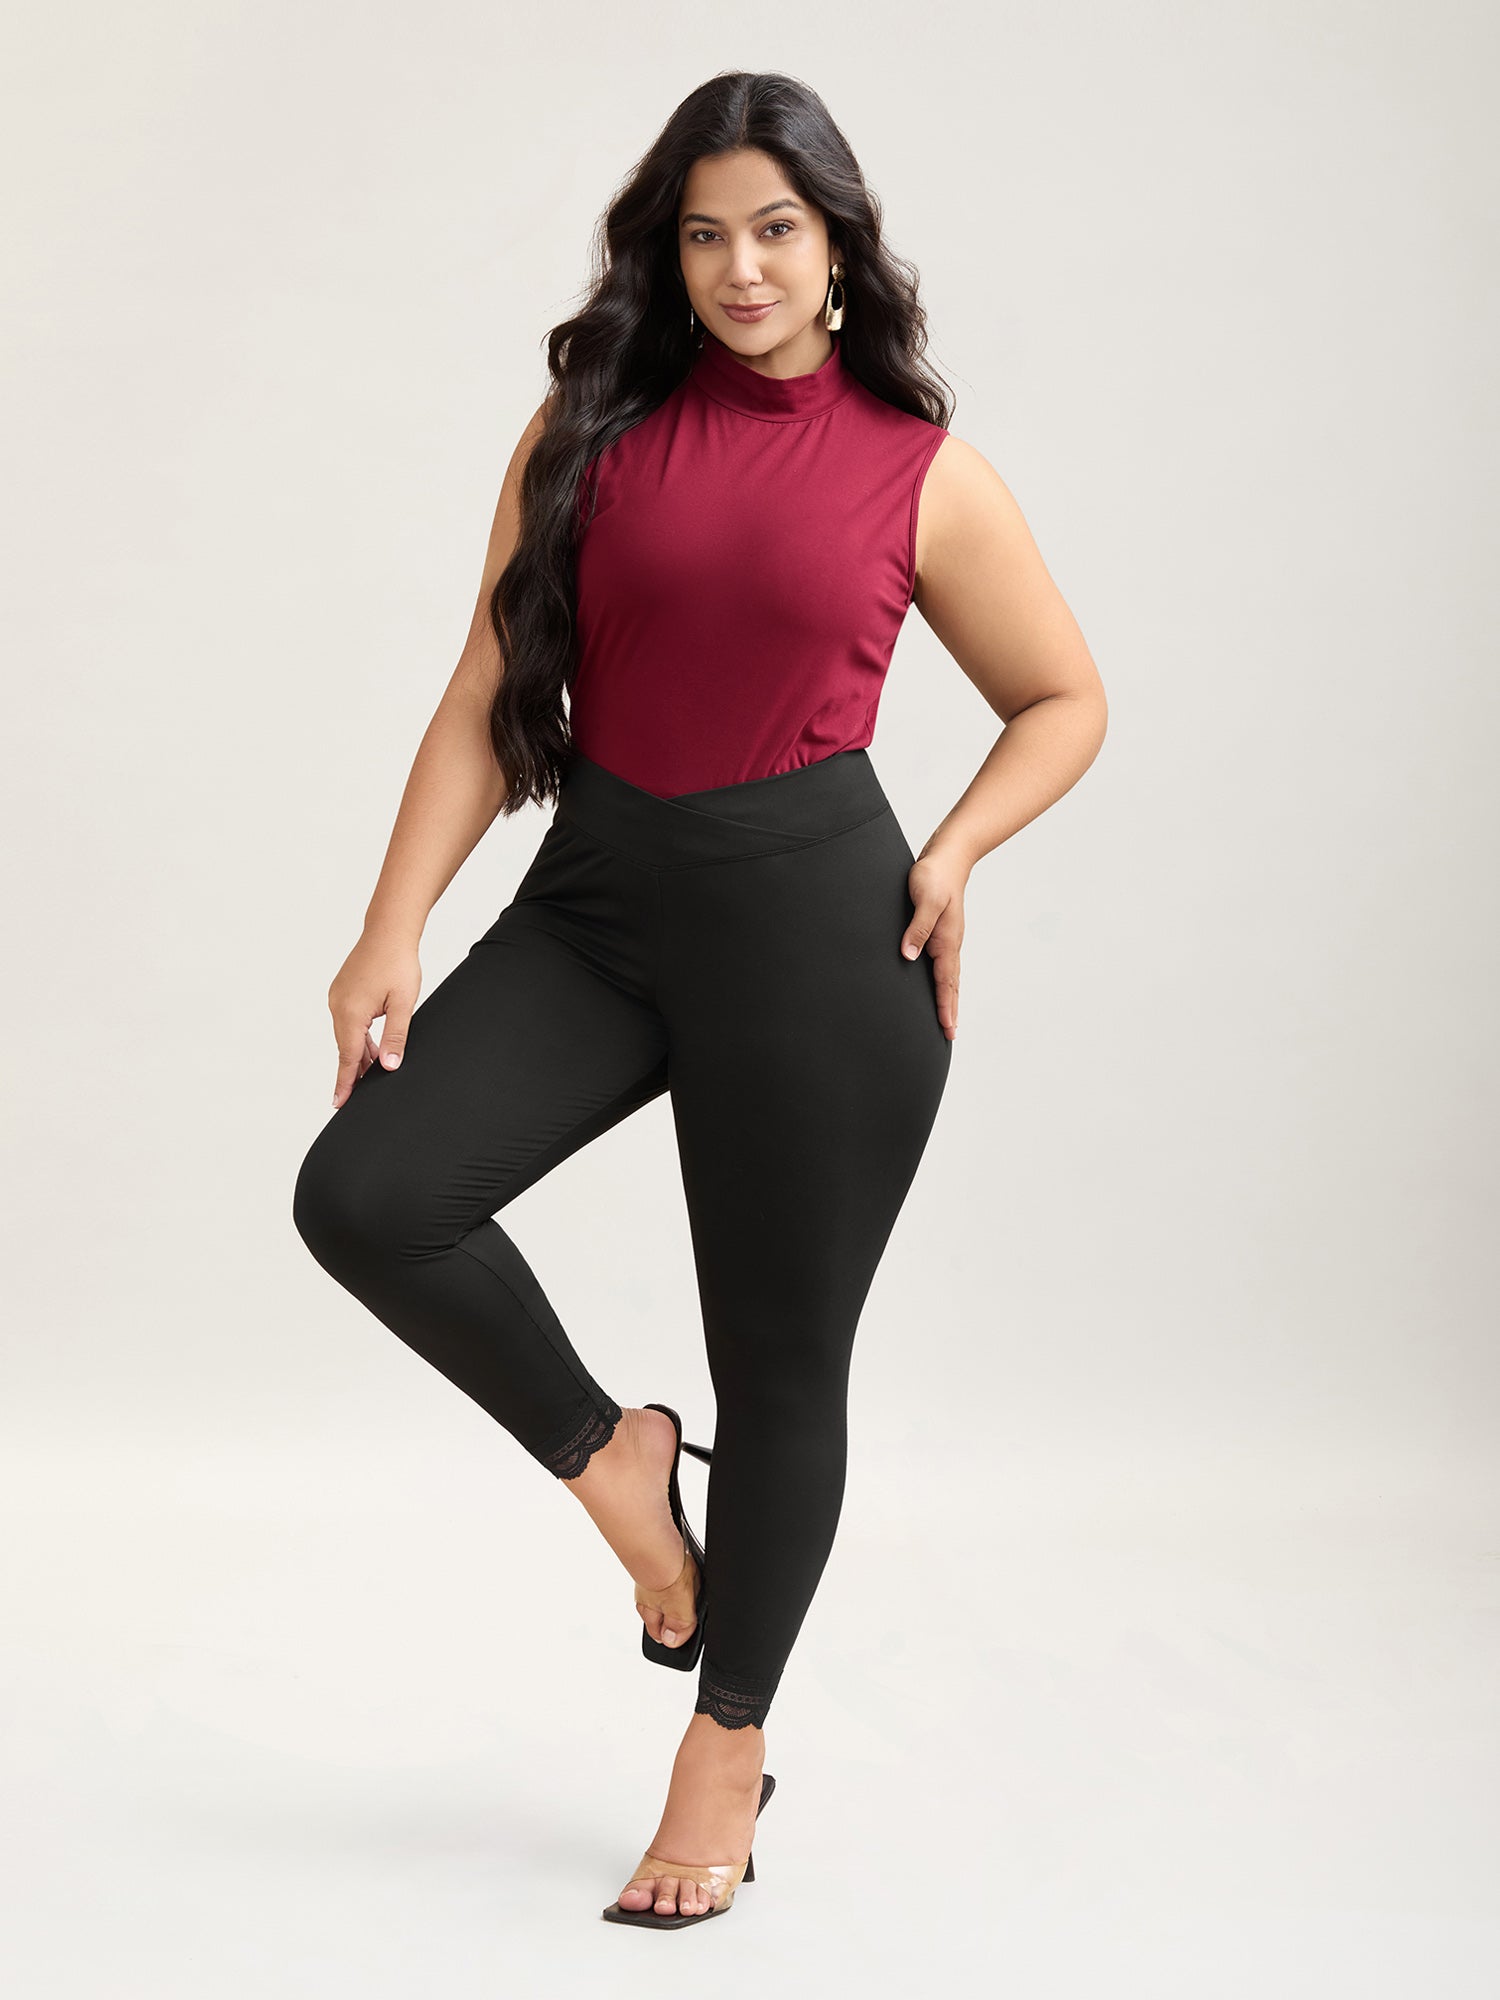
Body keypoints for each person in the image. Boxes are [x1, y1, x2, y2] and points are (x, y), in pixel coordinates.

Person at [292, 70, 1107, 1930]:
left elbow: (1065, 698)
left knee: (783, 1367)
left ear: (839, 251)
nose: (742, 269)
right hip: (598, 904)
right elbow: (486, 688)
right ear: (667, 254)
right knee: (368, 1194)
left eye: (777, 231)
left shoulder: (922, 471)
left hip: (819, 938)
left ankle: (726, 1740)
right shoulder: (586, 426)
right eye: (706, 234)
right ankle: (621, 1465)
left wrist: (956, 850)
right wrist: (390, 926)